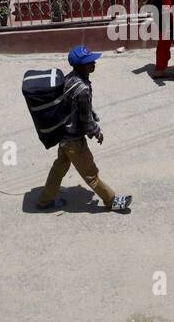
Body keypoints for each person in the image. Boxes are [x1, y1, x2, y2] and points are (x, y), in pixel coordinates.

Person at [37, 46, 132, 213]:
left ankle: (45, 200)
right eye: (89, 62)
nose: (93, 63)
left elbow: (79, 108)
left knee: (59, 167)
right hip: (73, 140)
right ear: (80, 66)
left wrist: (92, 115)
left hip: (63, 135)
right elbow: (85, 119)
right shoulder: (83, 89)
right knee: (91, 174)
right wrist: (97, 132)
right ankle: (112, 200)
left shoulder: (70, 78)